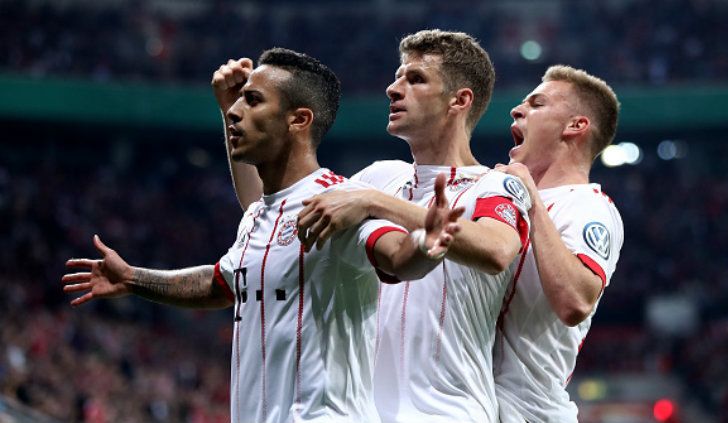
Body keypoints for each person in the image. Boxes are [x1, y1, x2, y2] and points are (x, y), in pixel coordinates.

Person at [62, 48, 466, 423]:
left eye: (252, 101)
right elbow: (222, 283)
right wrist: (133, 278)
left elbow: (396, 256)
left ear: (299, 120)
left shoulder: (338, 201)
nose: (235, 112)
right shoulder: (258, 213)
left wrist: (426, 246)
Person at [229, 30, 531, 423]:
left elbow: (497, 249)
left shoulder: (495, 185)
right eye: (397, 75)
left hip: (450, 412)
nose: (393, 88)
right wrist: (230, 113)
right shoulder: (379, 176)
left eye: (415, 79)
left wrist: (375, 202)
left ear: (459, 100)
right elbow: (265, 208)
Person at [492, 65, 624, 422]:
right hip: (471, 405)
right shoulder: (500, 194)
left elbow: (575, 301)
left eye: (537, 104)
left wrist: (531, 199)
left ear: (575, 126)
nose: (517, 110)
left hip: (529, 413)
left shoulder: (590, 207)